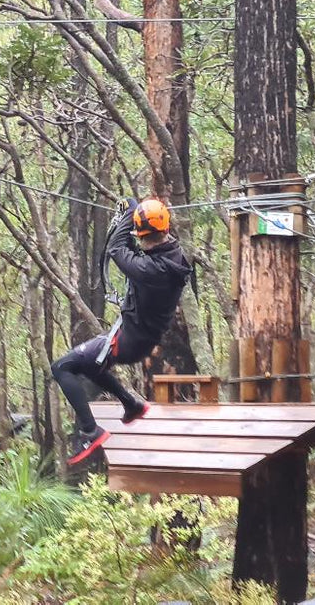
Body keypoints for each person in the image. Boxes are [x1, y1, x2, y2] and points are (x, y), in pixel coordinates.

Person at [53, 197, 192, 465]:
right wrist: (135, 212)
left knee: (61, 367)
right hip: (137, 338)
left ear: (141, 233)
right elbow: (129, 246)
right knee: (93, 365)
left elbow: (117, 247)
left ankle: (89, 431)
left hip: (127, 342)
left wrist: (130, 211)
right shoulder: (173, 255)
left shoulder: (149, 270)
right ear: (166, 228)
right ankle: (132, 404)